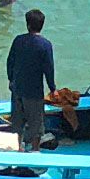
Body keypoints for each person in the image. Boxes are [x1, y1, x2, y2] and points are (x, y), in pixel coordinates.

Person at [6, 8, 56, 147]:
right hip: (34, 92)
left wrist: (11, 79)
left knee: (17, 123)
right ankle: (34, 150)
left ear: (28, 25)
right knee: (36, 125)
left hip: (17, 89)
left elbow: (10, 61)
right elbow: (49, 69)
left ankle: (18, 150)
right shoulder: (45, 45)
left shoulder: (18, 40)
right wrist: (52, 88)